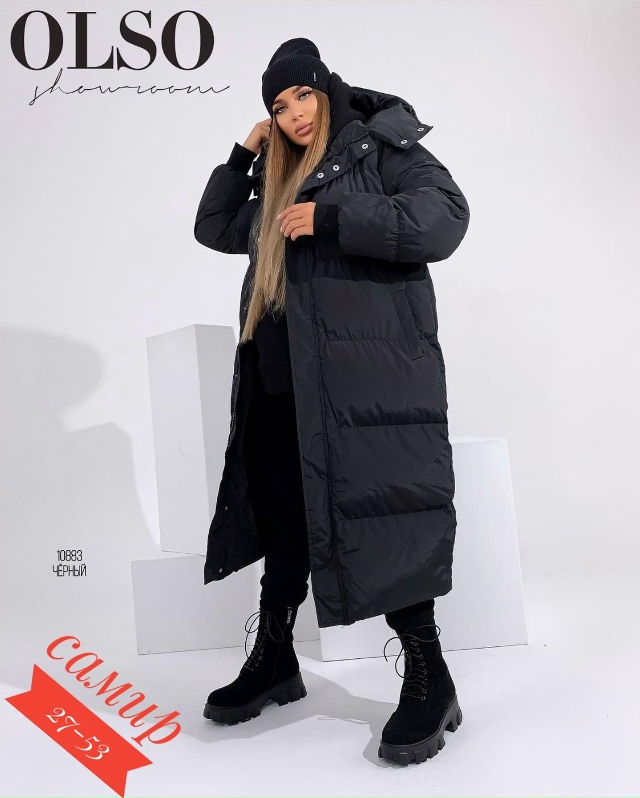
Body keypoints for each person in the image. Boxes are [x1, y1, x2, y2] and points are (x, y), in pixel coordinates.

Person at [194, 38, 470, 765]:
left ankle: (431, 677)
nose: (293, 114)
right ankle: (275, 658)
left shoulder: (380, 146)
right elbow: (213, 227)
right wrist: (243, 153)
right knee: (286, 516)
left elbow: (445, 217)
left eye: (301, 96)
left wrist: (335, 218)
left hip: (361, 383)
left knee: (380, 515)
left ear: (326, 88)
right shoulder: (277, 177)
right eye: (278, 106)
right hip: (279, 379)